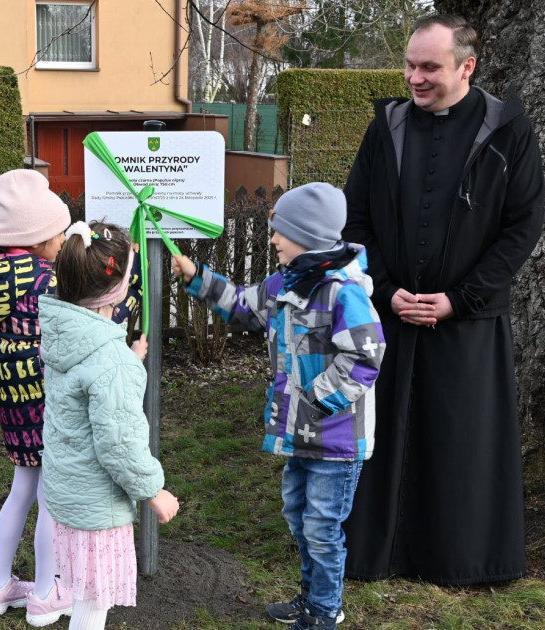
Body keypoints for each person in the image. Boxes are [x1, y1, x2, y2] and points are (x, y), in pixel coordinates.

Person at [339, 14, 545, 585]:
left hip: (469, 322)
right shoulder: (386, 127)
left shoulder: (508, 128)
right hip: (392, 316)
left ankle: (460, 559)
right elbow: (354, 218)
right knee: (381, 440)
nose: (414, 77)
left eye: (429, 67)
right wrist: (383, 288)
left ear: (466, 67)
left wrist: (463, 298)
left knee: (462, 444)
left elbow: (524, 225)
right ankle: (373, 555)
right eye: (410, 65)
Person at [171, 182, 385, 630]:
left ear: (305, 235)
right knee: (299, 519)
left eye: (279, 232)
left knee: (323, 531)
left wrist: (315, 399)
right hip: (298, 435)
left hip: (337, 440)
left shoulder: (343, 291)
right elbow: (242, 308)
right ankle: (310, 599)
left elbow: (367, 355)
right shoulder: (281, 285)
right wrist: (197, 277)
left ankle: (325, 611)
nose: (272, 240)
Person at [40, 221, 180, 630]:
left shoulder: (65, 337)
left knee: (85, 595)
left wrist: (127, 361)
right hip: (97, 508)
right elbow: (118, 444)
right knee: (92, 606)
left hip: (68, 495)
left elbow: (89, 393)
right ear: (119, 290)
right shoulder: (109, 361)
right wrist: (153, 491)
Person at [0, 168, 75, 626]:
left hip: (14, 405)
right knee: (51, 499)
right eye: (59, 232)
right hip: (49, 400)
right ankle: (47, 593)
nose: (64, 240)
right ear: (38, 236)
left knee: (20, 490)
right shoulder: (47, 279)